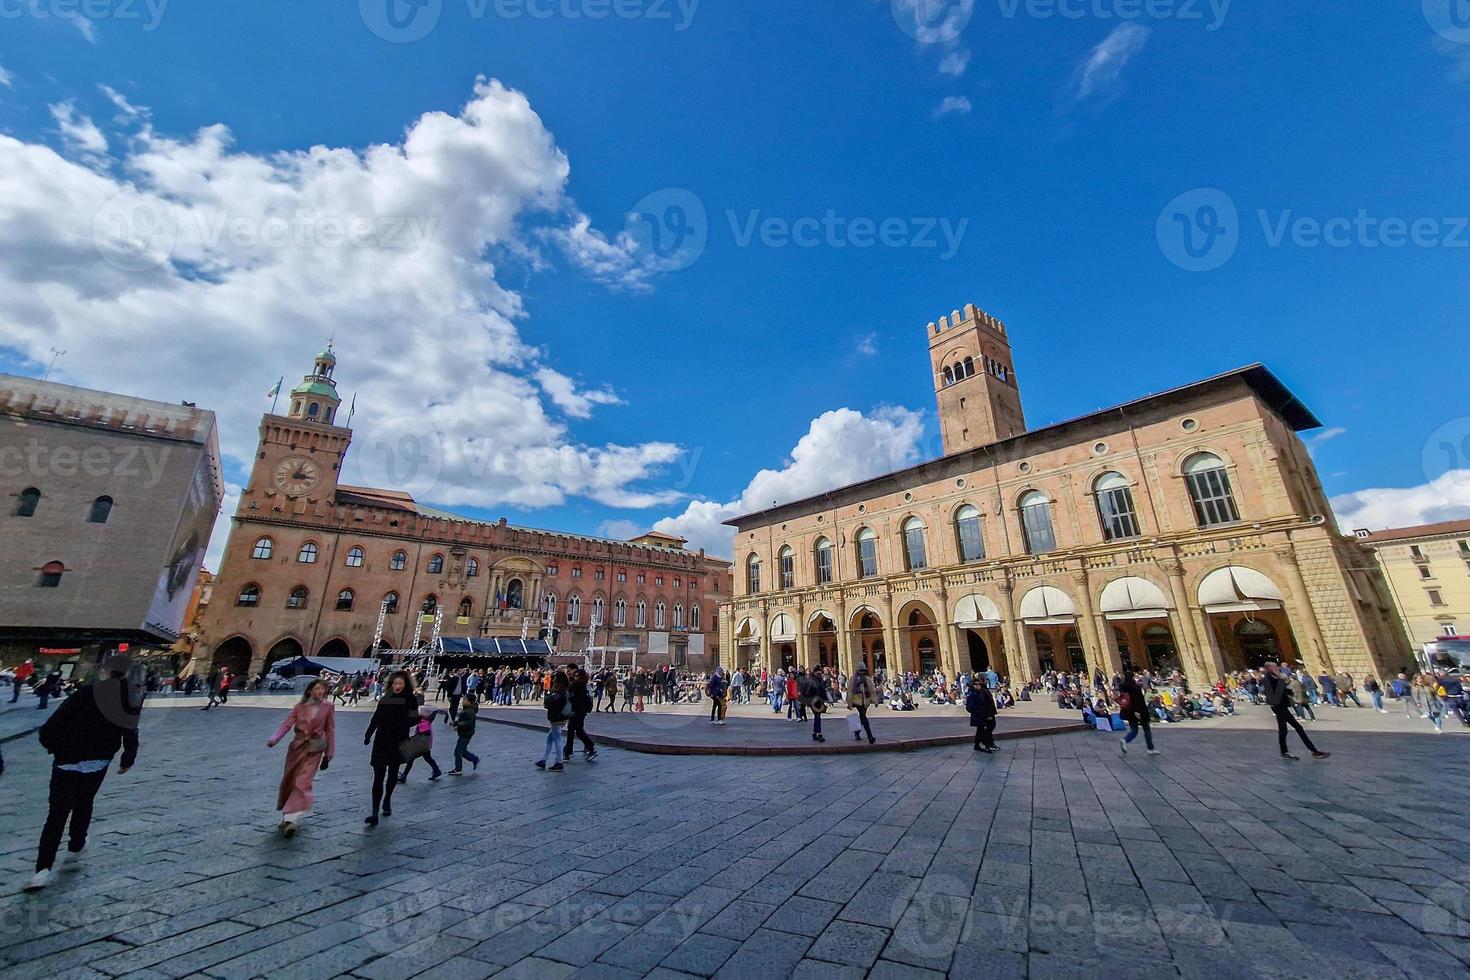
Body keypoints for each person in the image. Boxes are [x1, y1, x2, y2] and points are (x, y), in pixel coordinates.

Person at [26, 654, 140, 891]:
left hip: (68, 760)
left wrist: (53, 747)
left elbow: (52, 725)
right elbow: (130, 731)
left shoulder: (85, 693)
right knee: (84, 801)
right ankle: (76, 845)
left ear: (106, 671)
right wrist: (127, 758)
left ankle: (42, 870)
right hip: (99, 761)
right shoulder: (128, 698)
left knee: (56, 813)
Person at [266, 678, 335, 837]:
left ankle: (291, 820)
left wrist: (330, 752)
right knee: (289, 780)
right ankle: (287, 815)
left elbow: (330, 730)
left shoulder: (328, 707)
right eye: (317, 689)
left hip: (315, 750)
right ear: (309, 691)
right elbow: (286, 725)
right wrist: (274, 738)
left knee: (302, 783)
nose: (320, 692)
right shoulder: (299, 708)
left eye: (322, 689)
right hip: (296, 749)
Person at [362, 671, 417, 826]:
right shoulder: (386, 698)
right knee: (378, 776)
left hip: (398, 740)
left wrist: (408, 721)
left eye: (400, 683)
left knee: (392, 774)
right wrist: (368, 734)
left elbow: (414, 719)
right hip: (382, 739)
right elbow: (376, 717)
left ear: (405, 684)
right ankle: (374, 811)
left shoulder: (410, 699)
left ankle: (387, 801)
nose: (397, 686)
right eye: (394, 683)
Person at [1263, 662, 1329, 761]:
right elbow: (1272, 696)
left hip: (1282, 707)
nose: (1278, 668)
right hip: (1279, 708)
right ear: (1270, 668)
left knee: (1287, 730)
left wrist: (1288, 690)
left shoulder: (1274, 678)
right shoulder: (1268, 679)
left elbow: (1279, 691)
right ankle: (1312, 751)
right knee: (1291, 729)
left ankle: (1290, 752)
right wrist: (1282, 681)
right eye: (1275, 667)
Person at [1117, 671, 1157, 756]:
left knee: (1134, 730)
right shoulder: (1134, 687)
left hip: (1129, 711)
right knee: (1146, 729)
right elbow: (1137, 700)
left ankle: (1125, 740)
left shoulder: (1122, 687)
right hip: (1139, 711)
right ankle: (1150, 748)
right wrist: (1137, 711)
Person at [537, 672, 571, 772]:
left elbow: (549, 703)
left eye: (555, 678)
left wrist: (548, 697)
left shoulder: (559, 692)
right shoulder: (564, 690)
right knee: (550, 739)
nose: (553, 679)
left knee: (557, 740)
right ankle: (544, 759)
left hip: (557, 718)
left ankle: (559, 762)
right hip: (561, 717)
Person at [564, 669, 598, 760]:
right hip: (579, 711)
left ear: (582, 677)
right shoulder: (581, 685)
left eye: (577, 676)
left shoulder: (578, 686)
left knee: (574, 731)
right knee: (576, 730)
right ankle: (569, 750)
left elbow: (575, 698)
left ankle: (588, 748)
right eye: (575, 675)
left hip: (577, 711)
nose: (576, 677)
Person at [846, 663, 877, 745]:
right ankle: (870, 736)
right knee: (864, 717)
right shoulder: (853, 679)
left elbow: (872, 690)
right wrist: (849, 702)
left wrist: (875, 700)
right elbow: (849, 691)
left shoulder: (867, 679)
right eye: (861, 671)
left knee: (862, 718)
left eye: (863, 671)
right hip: (857, 701)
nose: (862, 672)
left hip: (866, 701)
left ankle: (857, 732)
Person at [449, 696, 481, 774]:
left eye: (464, 700)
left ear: (469, 702)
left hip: (465, 734)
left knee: (458, 752)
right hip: (465, 733)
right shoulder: (467, 710)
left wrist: (457, 724)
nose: (462, 701)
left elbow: (468, 723)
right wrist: (457, 725)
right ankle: (474, 759)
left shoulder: (468, 711)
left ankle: (458, 769)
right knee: (462, 751)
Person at [966, 679, 998, 752]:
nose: (978, 685)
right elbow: (969, 707)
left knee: (980, 731)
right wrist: (978, 711)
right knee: (982, 731)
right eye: (976, 684)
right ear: (972, 685)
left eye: (979, 684)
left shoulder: (980, 692)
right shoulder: (972, 694)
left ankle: (977, 745)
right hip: (977, 716)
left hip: (982, 715)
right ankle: (986, 746)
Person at [802, 666, 828, 743]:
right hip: (813, 701)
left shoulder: (820, 680)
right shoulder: (811, 680)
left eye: (820, 672)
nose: (819, 674)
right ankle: (819, 734)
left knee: (817, 716)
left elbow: (823, 689)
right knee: (817, 716)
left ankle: (814, 733)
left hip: (819, 701)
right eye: (818, 672)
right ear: (815, 672)